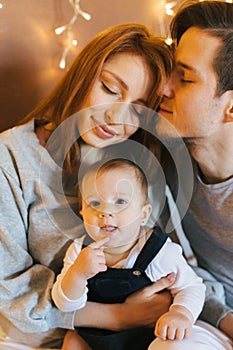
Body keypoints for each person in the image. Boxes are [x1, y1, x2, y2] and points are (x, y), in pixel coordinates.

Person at [0, 23, 174, 350]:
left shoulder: (137, 162)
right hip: (38, 339)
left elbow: (178, 263)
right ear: (83, 73)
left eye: (137, 108)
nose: (117, 117)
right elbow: (7, 289)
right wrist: (118, 317)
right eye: (109, 88)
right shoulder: (10, 159)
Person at [52, 158, 205, 350]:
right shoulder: (79, 250)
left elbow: (191, 286)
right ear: (82, 212)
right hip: (96, 331)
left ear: (143, 214)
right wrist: (77, 274)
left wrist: (181, 313)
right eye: (95, 202)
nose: (105, 211)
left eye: (121, 202)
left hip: (147, 332)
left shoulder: (159, 251)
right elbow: (65, 305)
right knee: (72, 341)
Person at [151, 0, 233, 349]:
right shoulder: (161, 161)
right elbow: (173, 263)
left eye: (184, 78)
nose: (164, 88)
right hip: (205, 315)